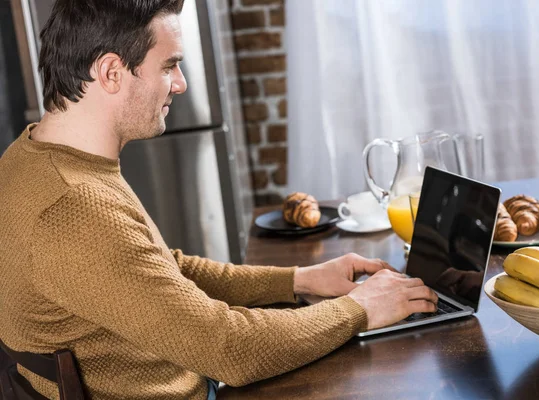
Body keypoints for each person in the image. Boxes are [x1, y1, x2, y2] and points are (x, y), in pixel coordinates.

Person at [0, 1, 438, 399]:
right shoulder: (76, 207)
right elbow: (230, 350)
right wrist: (358, 308)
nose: (181, 83)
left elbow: (159, 270)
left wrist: (299, 279)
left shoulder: (30, 158)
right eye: (169, 66)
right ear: (112, 72)